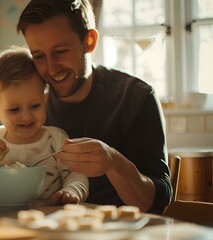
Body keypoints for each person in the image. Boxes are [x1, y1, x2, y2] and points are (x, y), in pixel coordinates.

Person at [16, 0, 172, 214]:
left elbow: (155, 203)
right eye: (39, 56)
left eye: (60, 51)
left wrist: (113, 162)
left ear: (89, 41)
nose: (51, 68)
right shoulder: (32, 106)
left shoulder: (135, 97)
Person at [0, 46, 89, 204]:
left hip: (48, 218)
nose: (26, 116)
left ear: (44, 99)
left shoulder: (55, 139)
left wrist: (72, 190)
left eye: (35, 106)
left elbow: (76, 175)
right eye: (14, 109)